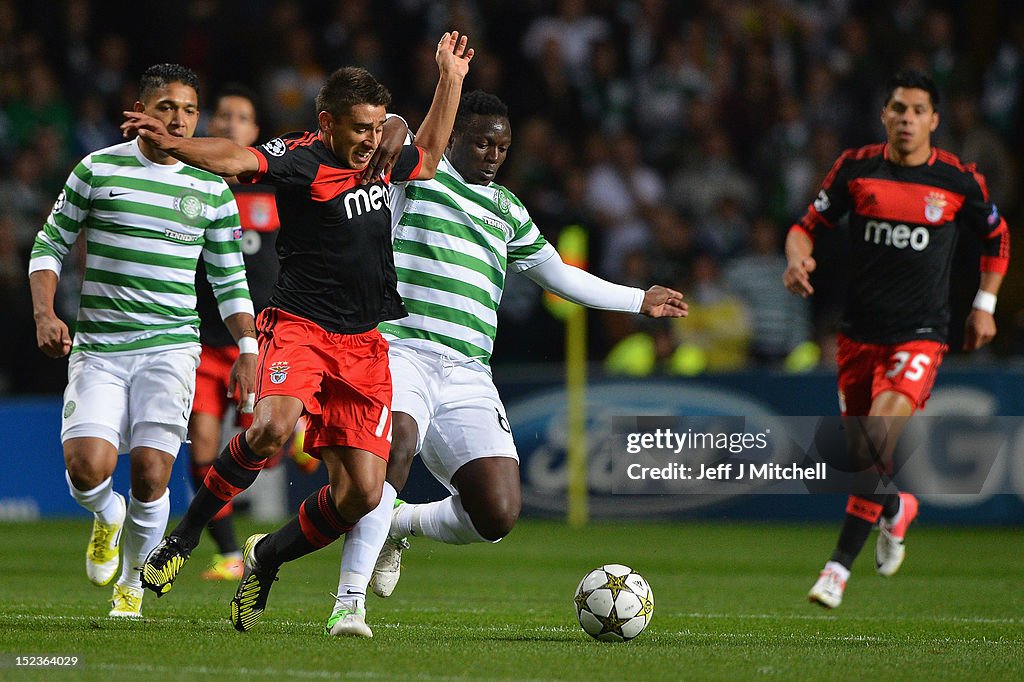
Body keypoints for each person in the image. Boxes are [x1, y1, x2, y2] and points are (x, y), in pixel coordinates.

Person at [124, 31, 474, 632]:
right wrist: (177, 145)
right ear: (327, 122)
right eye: (359, 128)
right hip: (302, 327)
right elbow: (239, 158)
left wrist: (451, 79)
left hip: (364, 343)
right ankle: (182, 540)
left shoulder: (387, 157)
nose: (369, 140)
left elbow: (435, 153)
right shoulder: (301, 158)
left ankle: (268, 555)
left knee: (363, 493)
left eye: (376, 126)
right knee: (272, 428)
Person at [326, 90, 688, 638]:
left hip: (469, 371)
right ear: (454, 139)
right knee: (394, 447)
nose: (494, 154)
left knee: (496, 513)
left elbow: (562, 278)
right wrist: (399, 119)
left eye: (502, 146)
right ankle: (348, 604)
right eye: (482, 142)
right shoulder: (418, 175)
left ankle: (398, 524)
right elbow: (393, 135)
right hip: (401, 352)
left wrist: (638, 299)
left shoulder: (508, 211)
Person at [28, 64, 256, 619]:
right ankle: (106, 515)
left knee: (153, 472)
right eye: (165, 107)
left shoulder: (211, 187)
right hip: (100, 348)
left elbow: (229, 280)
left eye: (188, 110)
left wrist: (249, 350)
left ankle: (130, 585)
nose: (178, 119)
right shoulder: (97, 169)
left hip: (171, 347)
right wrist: (44, 313)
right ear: (141, 112)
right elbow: (48, 245)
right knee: (87, 469)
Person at [783, 70, 1009, 609]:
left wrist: (985, 305)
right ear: (884, 115)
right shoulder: (855, 168)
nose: (906, 119)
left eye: (917, 111)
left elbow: (997, 239)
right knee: (858, 459)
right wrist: (796, 259)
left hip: (921, 335)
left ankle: (837, 569)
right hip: (858, 336)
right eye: (897, 109)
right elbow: (804, 226)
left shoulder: (959, 181)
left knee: (876, 441)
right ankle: (893, 507)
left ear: (934, 120)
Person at [188, 84, 280, 581]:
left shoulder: (274, 191)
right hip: (203, 338)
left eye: (240, 117)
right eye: (222, 116)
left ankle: (302, 438)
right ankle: (227, 554)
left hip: (261, 342)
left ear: (254, 134)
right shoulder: (191, 188)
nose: (228, 125)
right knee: (202, 449)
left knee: (262, 443)